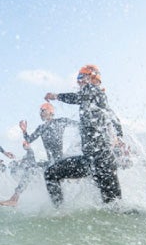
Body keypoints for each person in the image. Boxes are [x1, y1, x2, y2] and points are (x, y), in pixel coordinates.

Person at [43, 64, 125, 207]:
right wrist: (120, 137)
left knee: (51, 174)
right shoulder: (98, 100)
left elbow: (77, 97)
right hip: (95, 160)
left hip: (100, 160)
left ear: (92, 77)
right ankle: (60, 212)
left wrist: (56, 96)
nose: (78, 81)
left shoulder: (92, 90)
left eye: (81, 76)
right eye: (78, 78)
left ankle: (60, 211)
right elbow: (115, 120)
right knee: (114, 208)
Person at [0, 102, 78, 207]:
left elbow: (80, 125)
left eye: (43, 110)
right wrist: (24, 131)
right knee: (30, 170)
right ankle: (14, 199)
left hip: (60, 161)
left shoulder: (61, 121)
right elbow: (29, 139)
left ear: (51, 111)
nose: (41, 113)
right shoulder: (41, 128)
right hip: (50, 163)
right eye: (40, 111)